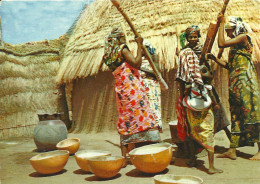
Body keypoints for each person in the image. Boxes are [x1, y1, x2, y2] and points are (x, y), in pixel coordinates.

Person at [103, 28, 161, 166]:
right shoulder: (122, 49)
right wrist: (140, 46)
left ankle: (125, 157)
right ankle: (152, 150)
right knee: (143, 115)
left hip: (121, 90)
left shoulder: (108, 55)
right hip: (131, 89)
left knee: (126, 119)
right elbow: (136, 63)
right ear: (120, 38)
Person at [176, 25, 223, 174]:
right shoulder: (184, 54)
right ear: (187, 38)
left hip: (204, 96)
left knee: (208, 130)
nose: (193, 39)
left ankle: (210, 166)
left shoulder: (204, 53)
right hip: (190, 97)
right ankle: (192, 158)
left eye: (195, 36)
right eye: (191, 37)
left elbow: (209, 77)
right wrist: (182, 96)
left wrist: (201, 74)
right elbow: (181, 78)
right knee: (190, 130)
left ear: (199, 37)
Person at [214, 15, 260, 160]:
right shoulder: (235, 46)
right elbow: (229, 66)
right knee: (236, 116)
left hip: (246, 84)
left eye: (229, 30)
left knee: (251, 114)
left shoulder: (243, 38)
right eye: (226, 30)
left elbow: (221, 43)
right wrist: (215, 59)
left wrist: (221, 24)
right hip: (235, 84)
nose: (228, 33)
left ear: (237, 28)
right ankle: (232, 150)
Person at [139, 40, 163, 133]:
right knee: (145, 108)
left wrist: (141, 69)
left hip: (152, 87)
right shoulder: (139, 59)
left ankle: (155, 129)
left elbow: (156, 72)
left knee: (154, 107)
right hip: (142, 87)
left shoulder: (153, 57)